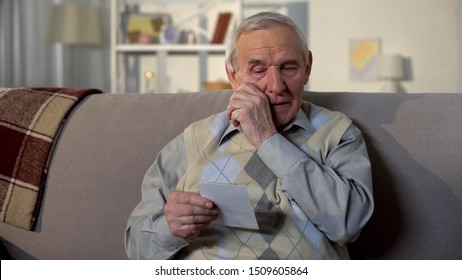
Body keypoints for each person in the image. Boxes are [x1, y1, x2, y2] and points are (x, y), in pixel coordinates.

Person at [125, 11, 374, 260]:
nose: (276, 86)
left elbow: (348, 224)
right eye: (258, 70)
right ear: (233, 75)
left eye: (288, 68)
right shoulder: (194, 140)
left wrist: (267, 138)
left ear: (307, 68)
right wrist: (170, 230)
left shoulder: (337, 133)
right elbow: (136, 248)